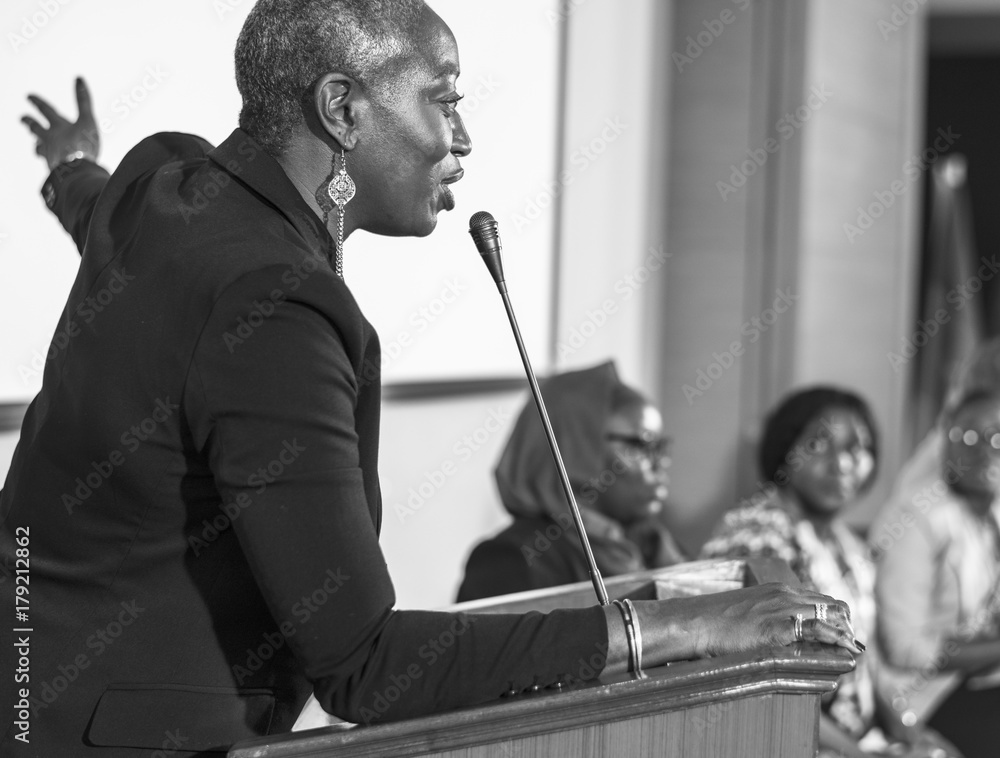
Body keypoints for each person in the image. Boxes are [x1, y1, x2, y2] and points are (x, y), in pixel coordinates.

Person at [1, 2, 862, 754]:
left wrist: (69, 166)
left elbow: (97, 204)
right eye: (443, 97)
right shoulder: (276, 308)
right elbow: (366, 667)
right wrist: (682, 626)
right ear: (342, 107)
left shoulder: (166, 182)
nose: (464, 137)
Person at [701, 387, 959, 758]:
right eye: (821, 443)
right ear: (787, 450)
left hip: (850, 737)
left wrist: (912, 732)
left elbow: (864, 663)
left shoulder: (847, 544)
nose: (843, 462)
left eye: (858, 448)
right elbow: (767, 686)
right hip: (780, 737)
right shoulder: (758, 534)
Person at [457, 360, 685, 602]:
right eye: (641, 446)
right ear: (579, 448)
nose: (660, 463)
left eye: (659, 447)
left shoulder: (651, 541)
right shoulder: (513, 562)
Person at [873, 337, 1000, 758]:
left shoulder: (985, 514)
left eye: (997, 437)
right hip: (917, 698)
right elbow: (905, 648)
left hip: (972, 679)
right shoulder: (921, 517)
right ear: (946, 437)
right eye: (967, 437)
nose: (985, 450)